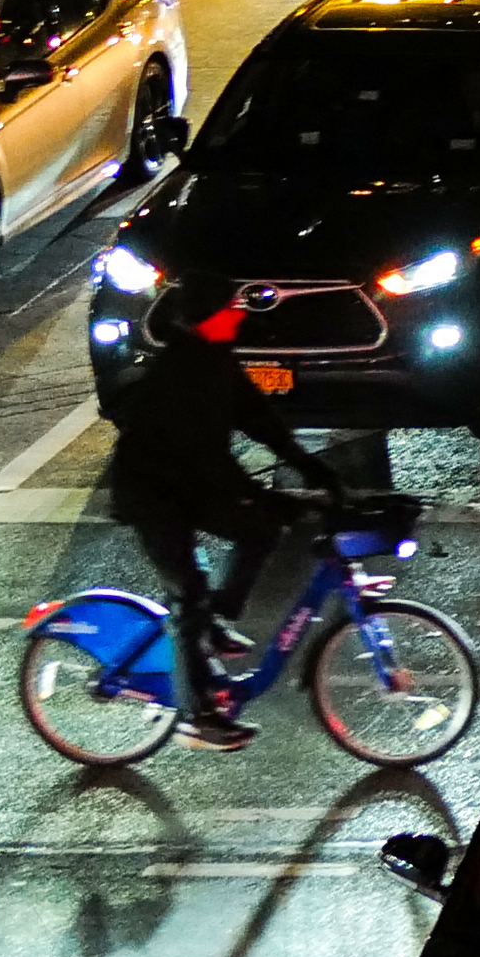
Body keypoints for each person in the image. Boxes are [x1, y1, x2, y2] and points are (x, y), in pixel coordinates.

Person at [119, 303, 322, 743]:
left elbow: (261, 422)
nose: (234, 322)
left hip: (187, 487)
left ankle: (216, 621)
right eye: (225, 315)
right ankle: (199, 715)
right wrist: (264, 493)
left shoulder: (217, 362)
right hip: (152, 495)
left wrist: (317, 471)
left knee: (261, 528)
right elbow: (211, 460)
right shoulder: (181, 372)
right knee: (189, 595)